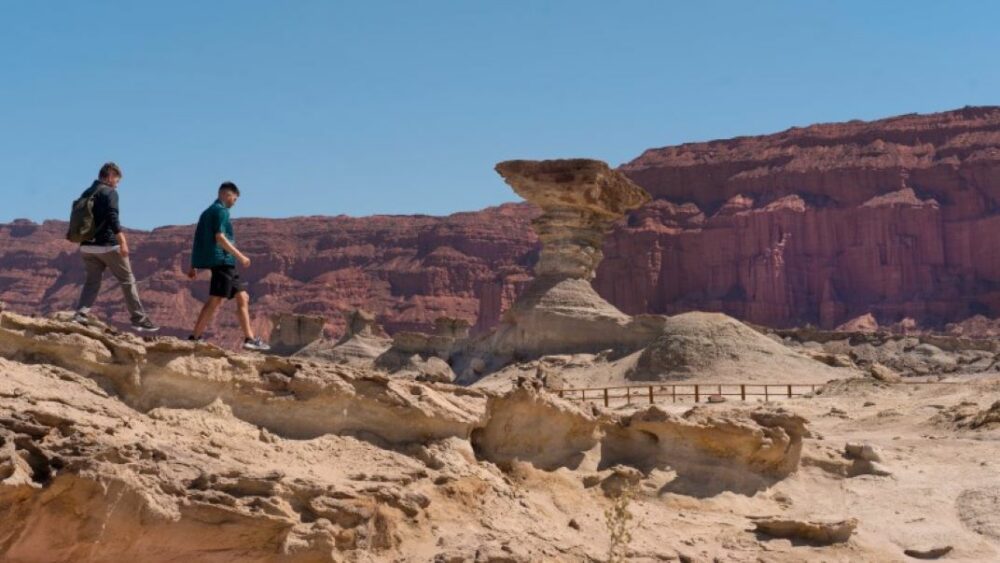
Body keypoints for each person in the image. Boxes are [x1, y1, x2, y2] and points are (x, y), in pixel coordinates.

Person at [73, 162, 159, 332]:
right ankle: (138, 319)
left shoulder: (87, 192)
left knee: (92, 282)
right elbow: (113, 217)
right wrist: (122, 241)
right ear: (110, 175)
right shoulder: (109, 192)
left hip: (86, 247)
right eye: (117, 180)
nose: (117, 184)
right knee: (127, 280)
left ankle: (80, 314)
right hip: (107, 245)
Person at [187, 181, 270, 351]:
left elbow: (198, 239)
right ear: (226, 194)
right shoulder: (221, 211)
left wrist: (194, 264)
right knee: (215, 299)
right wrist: (240, 256)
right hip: (223, 261)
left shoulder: (206, 212)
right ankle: (195, 337)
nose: (234, 203)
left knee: (242, 297)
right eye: (234, 199)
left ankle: (249, 338)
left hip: (222, 262)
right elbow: (220, 237)